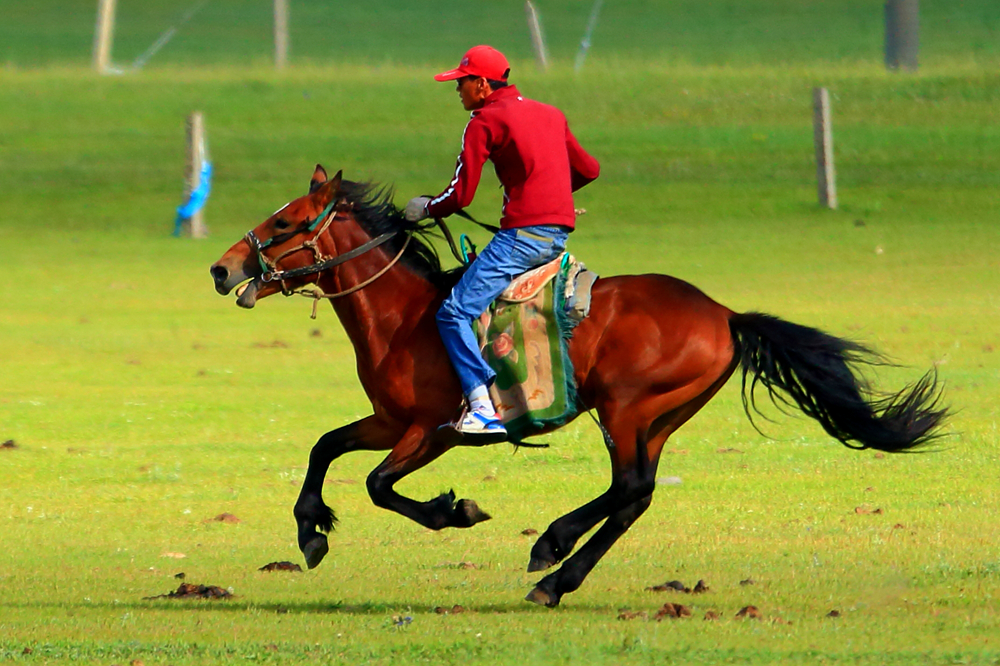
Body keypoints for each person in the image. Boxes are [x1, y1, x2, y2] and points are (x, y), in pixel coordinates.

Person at [405, 45, 600, 438]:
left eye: (461, 83)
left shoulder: (484, 122)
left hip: (523, 239)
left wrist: (426, 208)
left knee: (454, 312)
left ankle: (481, 407)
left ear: (481, 84)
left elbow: (460, 196)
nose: (457, 90)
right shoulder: (551, 113)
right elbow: (589, 169)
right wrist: (556, 201)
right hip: (555, 233)